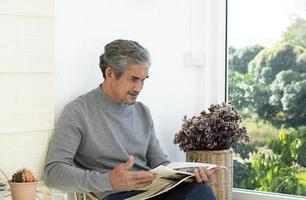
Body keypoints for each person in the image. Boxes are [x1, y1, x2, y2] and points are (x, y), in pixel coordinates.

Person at [44, 39, 219, 200]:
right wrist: (109, 181)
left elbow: (160, 163)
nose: (139, 88)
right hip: (115, 195)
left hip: (152, 192)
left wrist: (187, 175)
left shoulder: (142, 112)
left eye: (143, 80)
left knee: (201, 191)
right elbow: (53, 173)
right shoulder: (78, 111)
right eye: (133, 79)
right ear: (110, 73)